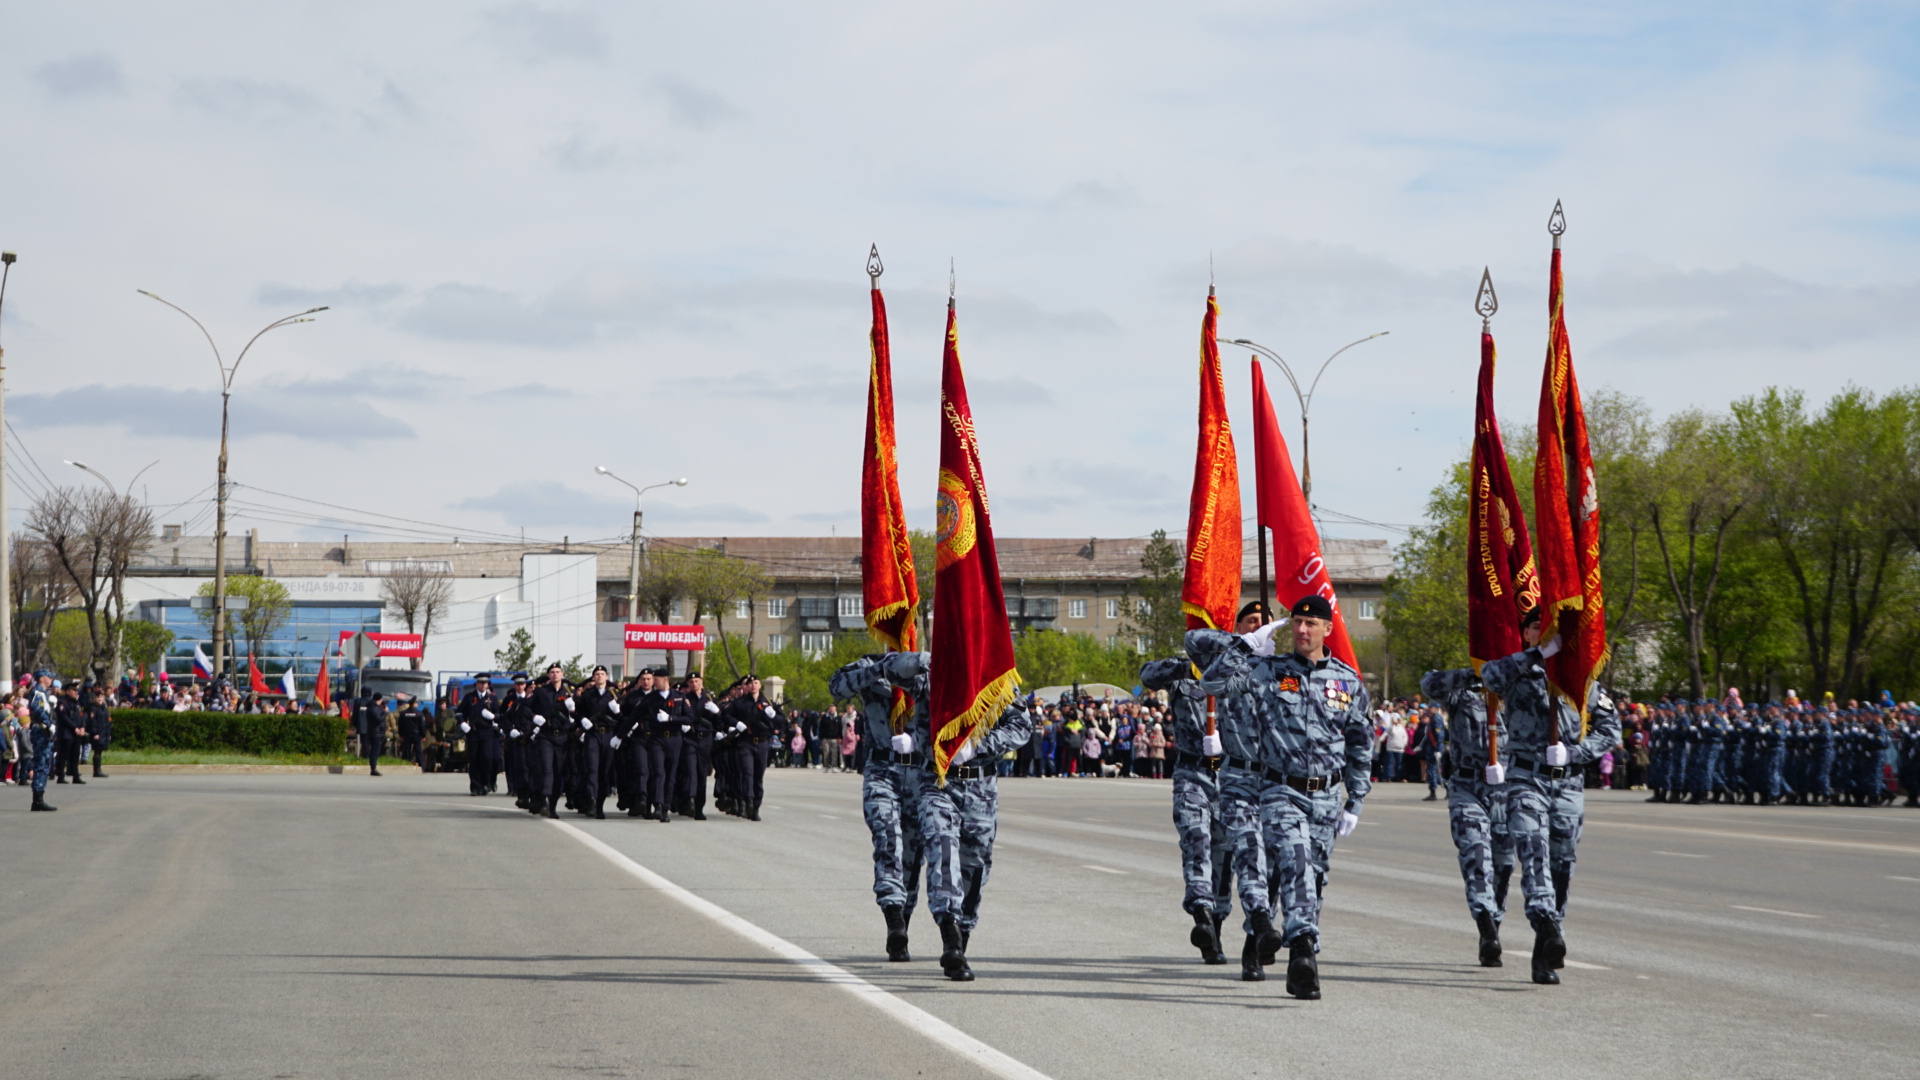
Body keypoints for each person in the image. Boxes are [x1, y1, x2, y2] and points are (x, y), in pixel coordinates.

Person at [1192, 593, 1373, 999]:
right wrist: (1243, 647)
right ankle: (1305, 947)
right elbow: (1212, 683)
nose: (1302, 630)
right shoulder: (1270, 671)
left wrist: (1355, 800)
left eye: (1311, 624)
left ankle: (1296, 965)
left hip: (1326, 797)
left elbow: (1362, 744)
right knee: (1295, 862)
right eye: (1297, 622)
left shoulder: (1346, 680)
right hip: (1280, 790)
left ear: (1328, 629)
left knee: (1314, 877)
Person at [1479, 610, 1621, 985]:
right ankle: (1544, 921)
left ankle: (1544, 949)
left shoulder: (1581, 678)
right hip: (1527, 778)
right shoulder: (1516, 671)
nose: (1546, 633)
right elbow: (1489, 676)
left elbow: (1611, 729)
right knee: (1533, 853)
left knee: (1562, 865)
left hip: (1569, 784)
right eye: (1538, 627)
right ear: (1525, 633)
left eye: (1554, 628)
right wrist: (1536, 656)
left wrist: (1577, 752)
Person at [912, 683, 1035, 982]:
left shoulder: (997, 681)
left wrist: (978, 745)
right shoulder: (932, 676)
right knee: (942, 850)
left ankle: (961, 939)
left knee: (974, 866)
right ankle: (949, 933)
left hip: (981, 787)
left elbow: (1022, 726)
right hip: (938, 781)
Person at [830, 653, 929, 962]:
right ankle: (893, 920)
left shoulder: (926, 666)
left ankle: (902, 928)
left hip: (920, 772)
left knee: (913, 858)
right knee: (887, 840)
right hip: (882, 770)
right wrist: (882, 668)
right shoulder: (867, 666)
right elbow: (837, 687)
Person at [1421, 665, 1514, 967]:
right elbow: (1430, 684)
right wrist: (1475, 674)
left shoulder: (1520, 690)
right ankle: (1485, 924)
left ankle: (1494, 926)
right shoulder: (1465, 691)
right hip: (1467, 785)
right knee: (1475, 855)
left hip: (1508, 789)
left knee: (1503, 865)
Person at [527, 664, 575, 818]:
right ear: (548, 675)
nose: (555, 675)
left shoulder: (569, 692)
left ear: (562, 674)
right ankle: (544, 801)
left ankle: (552, 806)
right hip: (546, 736)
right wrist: (534, 717)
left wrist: (574, 710)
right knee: (546, 769)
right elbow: (525, 707)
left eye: (557, 672)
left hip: (563, 737)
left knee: (558, 772)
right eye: (552, 672)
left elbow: (581, 712)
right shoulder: (541, 692)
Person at [574, 665, 619, 819]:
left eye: (602, 674)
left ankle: (600, 805)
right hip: (593, 734)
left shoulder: (614, 695)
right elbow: (578, 713)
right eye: (597, 674)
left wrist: (617, 711)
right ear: (593, 677)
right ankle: (591, 802)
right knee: (592, 768)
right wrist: (583, 720)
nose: (599, 676)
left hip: (608, 735)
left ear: (607, 677)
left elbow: (623, 717)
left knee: (604, 772)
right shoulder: (587, 695)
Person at [675, 673, 720, 820]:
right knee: (690, 771)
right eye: (691, 682)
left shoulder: (711, 699)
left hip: (705, 740)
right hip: (690, 739)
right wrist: (682, 725)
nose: (694, 684)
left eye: (696, 681)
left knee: (702, 774)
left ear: (702, 682)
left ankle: (699, 807)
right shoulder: (685, 699)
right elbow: (678, 715)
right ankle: (689, 800)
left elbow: (720, 722)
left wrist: (717, 712)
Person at [457, 676, 503, 796]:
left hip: (487, 732)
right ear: (476, 684)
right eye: (480, 683)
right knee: (474, 759)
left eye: (485, 683)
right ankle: (476, 787)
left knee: (487, 758)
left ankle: (485, 783)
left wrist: (493, 716)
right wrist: (462, 722)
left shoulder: (492, 697)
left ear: (488, 685)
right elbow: (459, 712)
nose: (483, 685)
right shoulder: (470, 697)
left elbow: (499, 714)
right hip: (473, 732)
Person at [26, 672, 59, 811]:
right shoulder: (38, 692)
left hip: (45, 732)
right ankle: (37, 800)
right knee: (41, 764)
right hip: (41, 731)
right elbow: (38, 711)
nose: (51, 679)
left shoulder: (44, 693)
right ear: (41, 678)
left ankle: (39, 798)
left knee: (45, 764)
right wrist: (48, 724)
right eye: (49, 677)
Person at [356, 691, 389, 776]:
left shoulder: (374, 707)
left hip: (377, 732)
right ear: (379, 699)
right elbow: (378, 719)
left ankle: (373, 767)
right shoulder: (373, 708)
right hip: (375, 732)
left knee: (376, 751)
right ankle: (373, 768)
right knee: (375, 751)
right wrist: (385, 712)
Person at [85, 686, 112, 779]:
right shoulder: (93, 708)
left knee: (100, 751)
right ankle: (96, 771)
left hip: (104, 733)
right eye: (98, 697)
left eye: (101, 697)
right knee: (97, 751)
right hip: (97, 734)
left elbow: (108, 722)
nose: (99, 699)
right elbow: (92, 722)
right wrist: (95, 733)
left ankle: (99, 769)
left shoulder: (104, 708)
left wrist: (108, 734)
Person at [395, 693, 426, 768]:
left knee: (406, 751)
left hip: (407, 734)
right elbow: (422, 725)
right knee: (418, 751)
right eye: (417, 703)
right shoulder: (419, 714)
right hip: (416, 735)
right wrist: (423, 735)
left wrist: (401, 735)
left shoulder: (403, 713)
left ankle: (406, 765)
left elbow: (400, 725)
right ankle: (422, 767)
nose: (417, 704)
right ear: (414, 704)